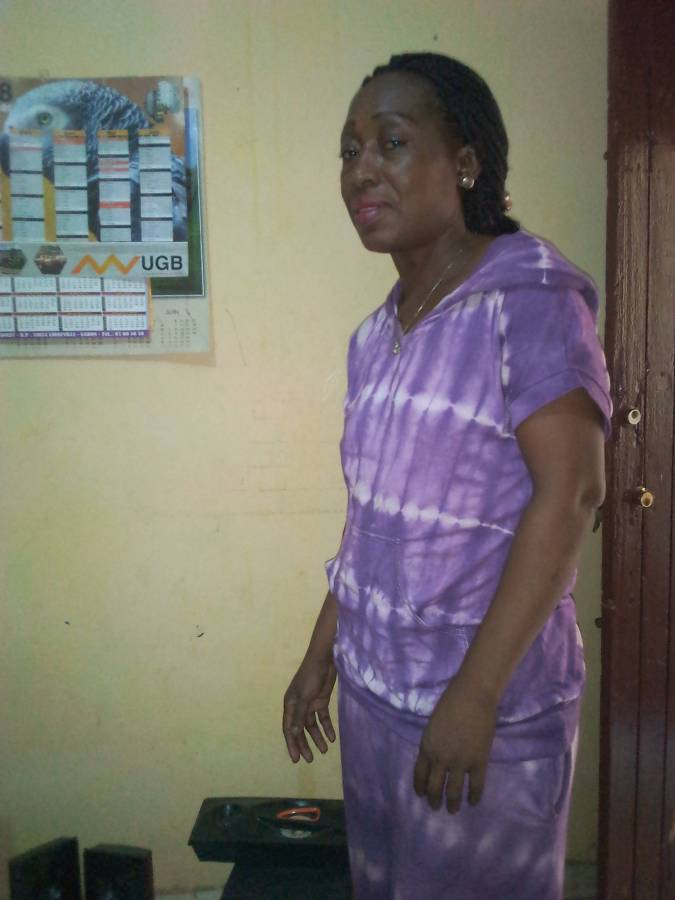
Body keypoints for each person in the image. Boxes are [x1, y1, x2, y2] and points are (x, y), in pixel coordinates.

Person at [282, 52, 611, 900]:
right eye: (349, 149)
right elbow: (374, 513)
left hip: (485, 713)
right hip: (375, 697)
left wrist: (475, 694)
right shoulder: (374, 338)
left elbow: (571, 494)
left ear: (464, 163)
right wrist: (322, 650)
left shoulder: (529, 302)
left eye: (390, 142)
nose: (361, 169)